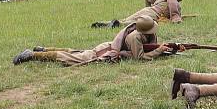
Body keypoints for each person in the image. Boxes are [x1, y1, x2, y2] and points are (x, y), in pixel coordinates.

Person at [13, 16, 169, 66]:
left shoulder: (139, 33)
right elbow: (139, 58)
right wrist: (159, 51)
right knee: (70, 58)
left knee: (77, 52)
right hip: (106, 52)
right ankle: (33, 55)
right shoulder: (134, 37)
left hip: (107, 46)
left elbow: (148, 47)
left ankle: (44, 49)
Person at [91, 0, 183, 28]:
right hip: (152, 15)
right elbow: (176, 19)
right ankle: (118, 24)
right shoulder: (176, 5)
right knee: (134, 23)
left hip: (147, 9)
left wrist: (149, 7)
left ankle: (105, 23)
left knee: (126, 19)